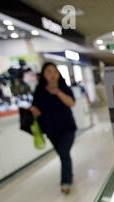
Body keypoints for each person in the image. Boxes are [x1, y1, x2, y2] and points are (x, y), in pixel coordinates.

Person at [30, 63, 76, 194]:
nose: (52, 74)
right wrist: (35, 111)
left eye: (54, 71)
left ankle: (66, 182)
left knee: (64, 153)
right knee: (62, 154)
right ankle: (69, 175)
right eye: (49, 71)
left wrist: (58, 93)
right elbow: (35, 107)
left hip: (67, 127)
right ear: (44, 74)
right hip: (50, 129)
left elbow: (71, 103)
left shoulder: (63, 88)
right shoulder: (40, 91)